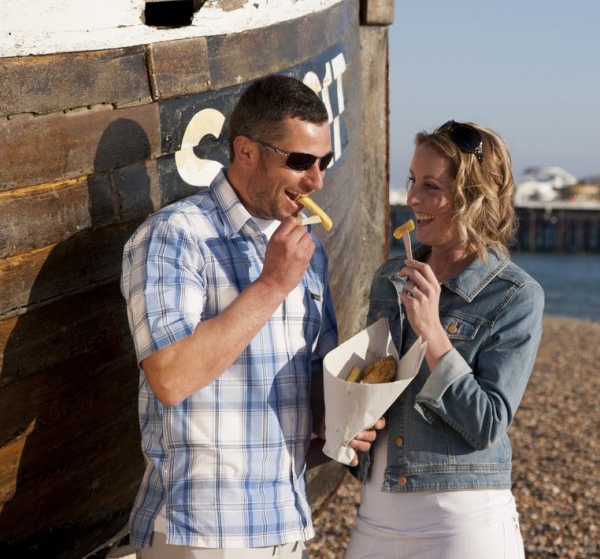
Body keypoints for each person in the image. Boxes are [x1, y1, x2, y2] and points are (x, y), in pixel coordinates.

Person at [121, 75, 381, 558]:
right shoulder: (174, 237)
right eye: (300, 161)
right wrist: (271, 285)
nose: (318, 180)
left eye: (324, 161)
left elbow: (311, 389)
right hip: (200, 534)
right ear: (245, 151)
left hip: (286, 525)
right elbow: (171, 377)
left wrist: (347, 421)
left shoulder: (308, 252)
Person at [346, 121, 544, 559]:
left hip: (464, 524)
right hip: (378, 510)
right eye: (412, 181)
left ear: (474, 198)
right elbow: (368, 388)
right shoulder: (390, 278)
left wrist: (433, 332)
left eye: (431, 186)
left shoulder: (515, 296)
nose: (412, 198)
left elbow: (487, 424)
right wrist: (351, 428)